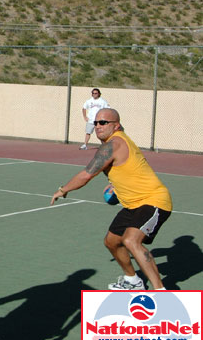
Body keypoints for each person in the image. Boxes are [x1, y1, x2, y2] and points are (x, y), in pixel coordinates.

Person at [51, 108, 172, 291]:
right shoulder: (118, 141)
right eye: (96, 123)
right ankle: (133, 280)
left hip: (154, 200)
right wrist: (116, 183)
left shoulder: (112, 144)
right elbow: (131, 167)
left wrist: (64, 189)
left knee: (131, 241)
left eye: (103, 122)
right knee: (112, 241)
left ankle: (160, 291)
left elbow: (86, 174)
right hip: (133, 204)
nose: (98, 126)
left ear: (116, 125)